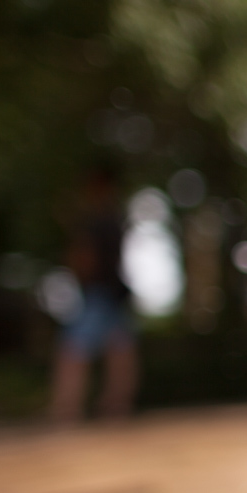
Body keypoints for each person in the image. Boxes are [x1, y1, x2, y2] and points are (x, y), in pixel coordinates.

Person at [49, 165, 138, 424]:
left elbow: (83, 258)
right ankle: (114, 406)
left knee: (74, 351)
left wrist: (79, 275)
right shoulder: (114, 218)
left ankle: (68, 408)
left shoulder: (96, 220)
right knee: (120, 352)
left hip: (99, 294)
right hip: (113, 293)